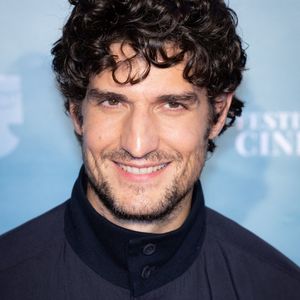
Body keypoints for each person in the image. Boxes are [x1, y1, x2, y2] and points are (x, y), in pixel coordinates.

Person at [0, 0, 299, 299]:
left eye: (172, 104)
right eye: (112, 102)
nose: (138, 145)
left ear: (218, 114)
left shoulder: (278, 288)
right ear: (76, 111)